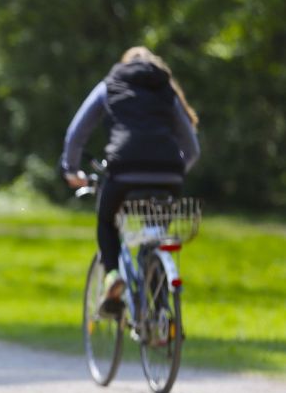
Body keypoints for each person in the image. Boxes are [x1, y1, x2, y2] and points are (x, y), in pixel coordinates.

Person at [60, 46, 200, 313]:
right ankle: (159, 312)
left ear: (124, 65)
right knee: (155, 235)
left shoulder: (110, 86)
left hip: (125, 170)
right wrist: (173, 172)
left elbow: (76, 133)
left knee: (106, 222)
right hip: (168, 174)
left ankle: (113, 278)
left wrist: (71, 169)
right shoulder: (166, 92)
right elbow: (192, 149)